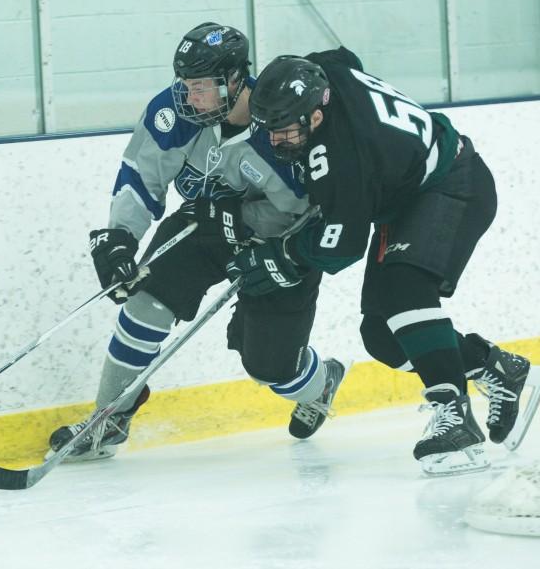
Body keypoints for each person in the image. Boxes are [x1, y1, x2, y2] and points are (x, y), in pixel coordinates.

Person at [48, 23, 348, 462]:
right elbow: (141, 174)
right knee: (145, 299)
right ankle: (108, 418)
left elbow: (304, 210)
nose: (190, 96)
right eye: (185, 85)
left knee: (270, 365)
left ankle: (320, 382)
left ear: (233, 80)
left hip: (277, 246)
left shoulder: (280, 122)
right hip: (203, 226)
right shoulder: (175, 112)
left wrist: (242, 218)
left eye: (201, 87)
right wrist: (120, 237)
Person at [242, 48, 540, 475]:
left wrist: (285, 253)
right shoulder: (326, 76)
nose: (276, 141)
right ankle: (496, 367)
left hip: (455, 183)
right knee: (381, 337)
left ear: (315, 115)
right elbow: (344, 57)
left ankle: (455, 417)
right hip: (409, 200)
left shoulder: (343, 160)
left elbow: (341, 248)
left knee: (407, 292)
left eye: (284, 130)